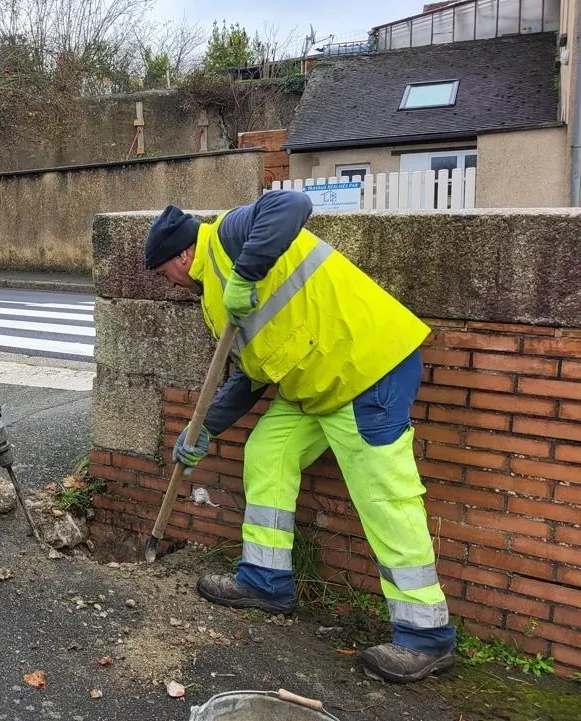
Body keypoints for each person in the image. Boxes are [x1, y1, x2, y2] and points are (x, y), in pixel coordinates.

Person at [142, 190, 456, 684]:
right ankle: (265, 581)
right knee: (267, 452)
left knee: (384, 495)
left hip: (366, 367)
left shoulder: (228, 236)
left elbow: (291, 204)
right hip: (313, 386)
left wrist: (245, 275)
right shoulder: (211, 298)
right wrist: (203, 429)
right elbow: (247, 378)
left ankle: (426, 636)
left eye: (163, 273)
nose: (167, 283)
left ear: (182, 254)